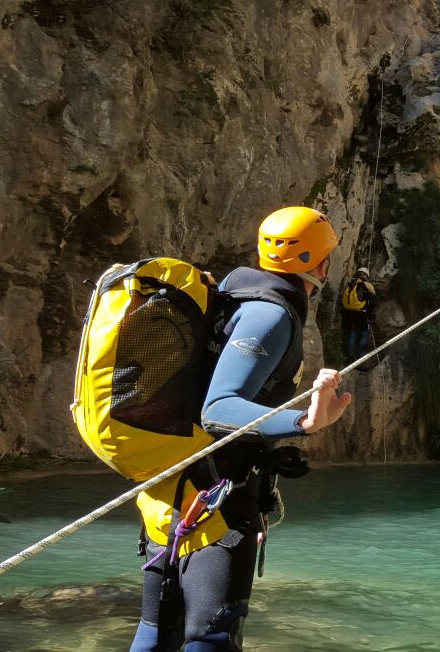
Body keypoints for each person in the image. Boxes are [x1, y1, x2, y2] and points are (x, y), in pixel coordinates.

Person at [130, 206, 353, 652]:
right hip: (218, 499)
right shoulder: (269, 315)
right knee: (211, 635)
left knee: (159, 630)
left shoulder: (236, 293)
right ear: (321, 263)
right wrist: (304, 422)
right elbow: (220, 409)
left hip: (176, 487)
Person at [340, 267, 376, 364]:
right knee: (363, 335)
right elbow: (373, 301)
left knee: (351, 334)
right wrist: (370, 313)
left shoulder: (350, 284)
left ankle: (350, 357)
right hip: (362, 314)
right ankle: (361, 360)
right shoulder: (368, 285)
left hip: (349, 314)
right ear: (366, 276)